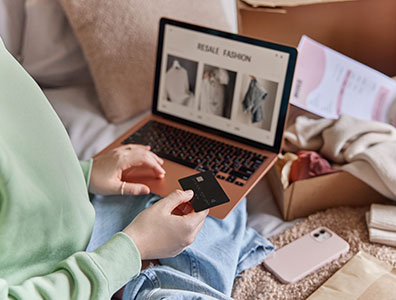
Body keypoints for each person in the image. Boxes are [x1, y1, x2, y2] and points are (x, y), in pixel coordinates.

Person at [0, 37, 273, 300]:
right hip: (72, 272)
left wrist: (81, 174)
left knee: (216, 193)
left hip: (81, 213)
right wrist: (133, 248)